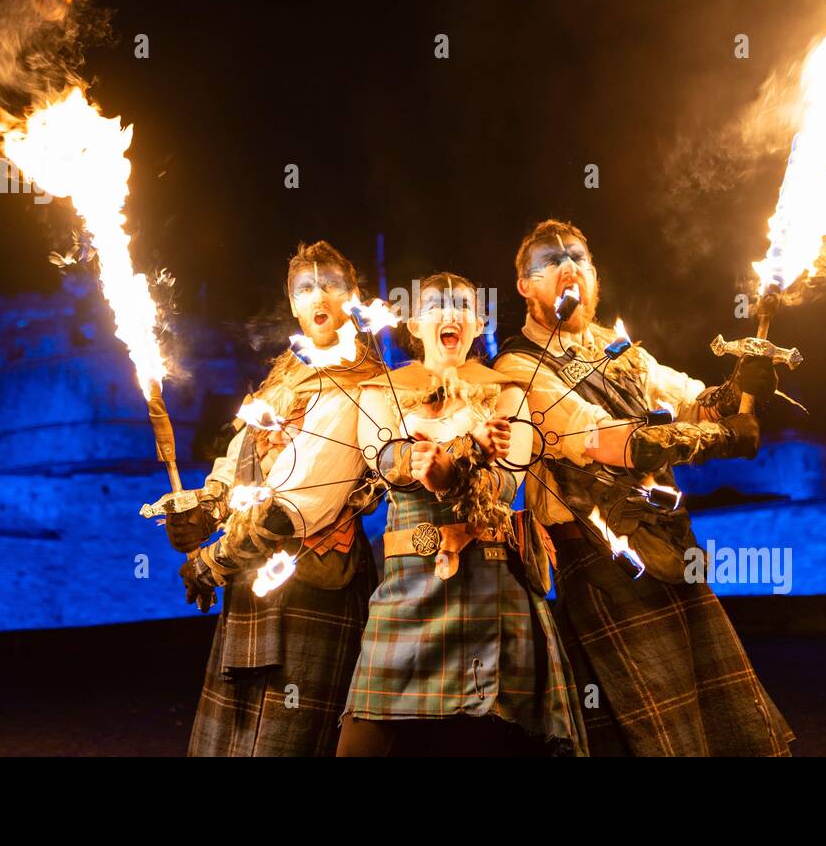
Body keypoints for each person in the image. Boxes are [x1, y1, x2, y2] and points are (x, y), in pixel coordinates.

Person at [493, 218, 795, 756]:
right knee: (657, 737)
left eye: (579, 258)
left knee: (726, 722)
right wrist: (723, 434)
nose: (568, 267)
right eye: (549, 262)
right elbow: (612, 442)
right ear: (525, 286)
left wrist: (739, 390)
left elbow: (687, 401)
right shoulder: (518, 367)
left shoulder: (621, 348)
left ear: (594, 274)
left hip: (671, 542)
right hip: (601, 558)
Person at [336, 272, 586, 757]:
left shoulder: (508, 393)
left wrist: (458, 470)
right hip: (405, 594)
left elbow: (507, 482)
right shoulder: (380, 391)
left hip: (489, 584)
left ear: (478, 323)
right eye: (435, 305)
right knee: (360, 746)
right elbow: (380, 457)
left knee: (480, 742)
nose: (449, 315)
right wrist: (420, 460)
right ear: (413, 321)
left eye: (461, 307)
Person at [169, 241, 382, 756]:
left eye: (331, 284)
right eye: (305, 288)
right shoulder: (282, 377)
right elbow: (240, 459)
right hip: (253, 590)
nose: (319, 295)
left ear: (352, 296)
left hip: (312, 584)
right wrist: (204, 507)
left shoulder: (360, 385)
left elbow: (293, 509)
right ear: (291, 304)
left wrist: (213, 561)